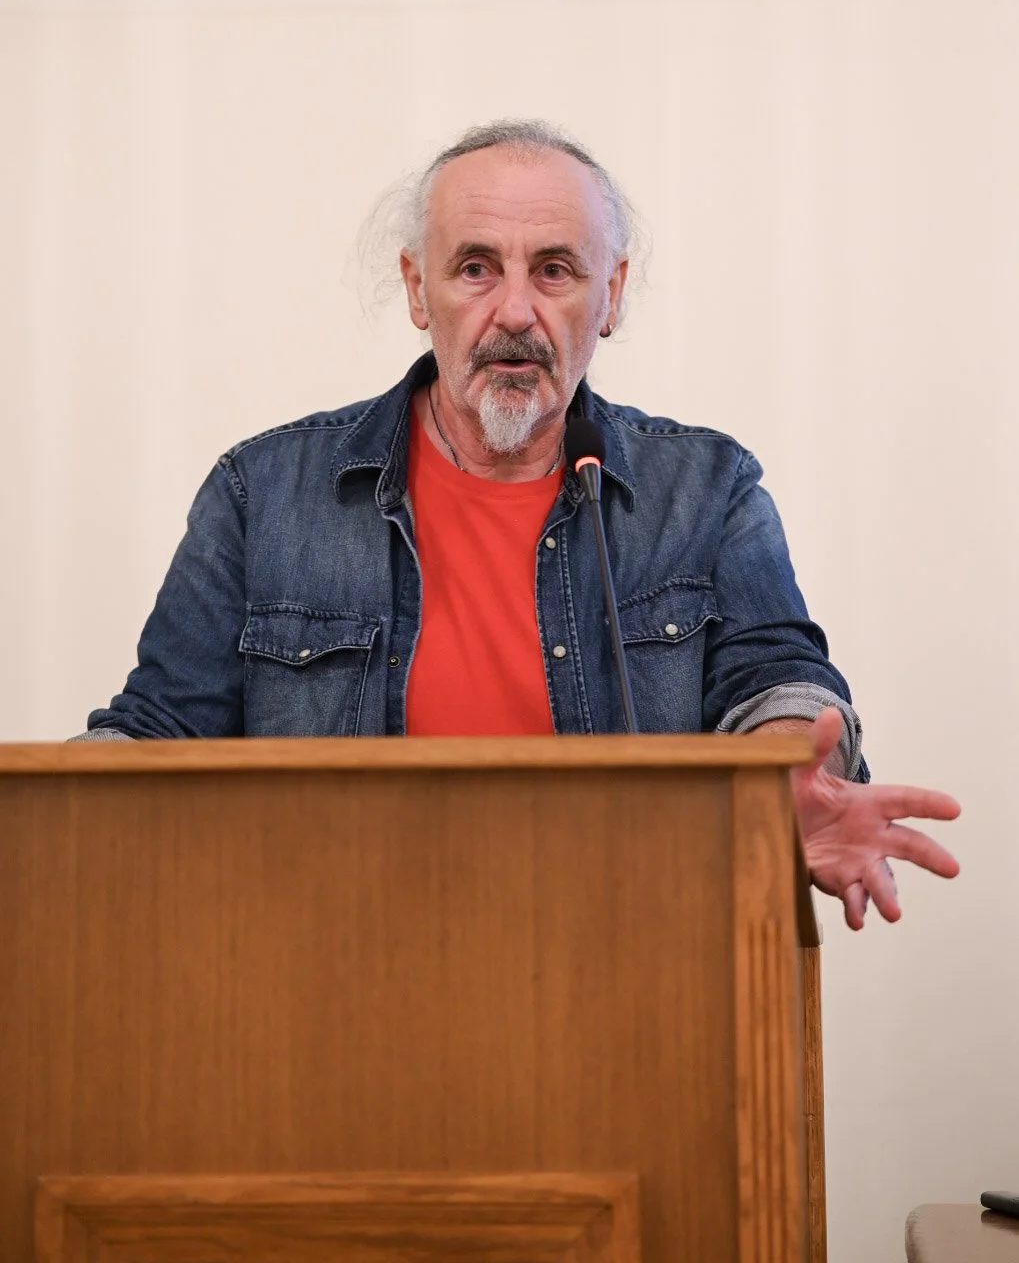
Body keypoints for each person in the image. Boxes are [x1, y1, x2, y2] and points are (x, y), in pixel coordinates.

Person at [79, 119, 960, 928]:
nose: (512, 312)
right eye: (474, 268)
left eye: (552, 270)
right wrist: (55, 811)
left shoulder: (703, 486)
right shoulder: (263, 493)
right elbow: (159, 737)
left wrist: (788, 781)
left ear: (608, 295)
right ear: (417, 290)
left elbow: (775, 683)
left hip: (620, 970)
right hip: (330, 983)